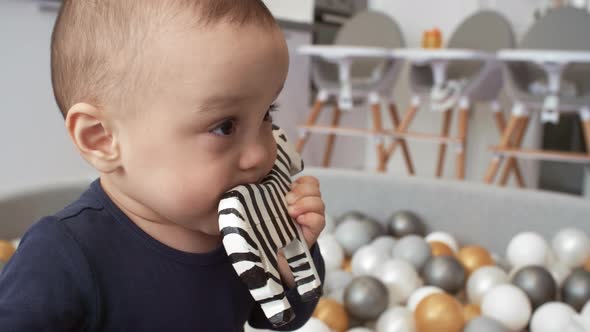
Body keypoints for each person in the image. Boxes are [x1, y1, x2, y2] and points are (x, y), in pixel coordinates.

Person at [0, 1, 326, 331]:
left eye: (267, 112)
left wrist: (293, 262)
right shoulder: (62, 256)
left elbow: (277, 318)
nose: (259, 153)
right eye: (224, 126)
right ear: (101, 138)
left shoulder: (245, 230)